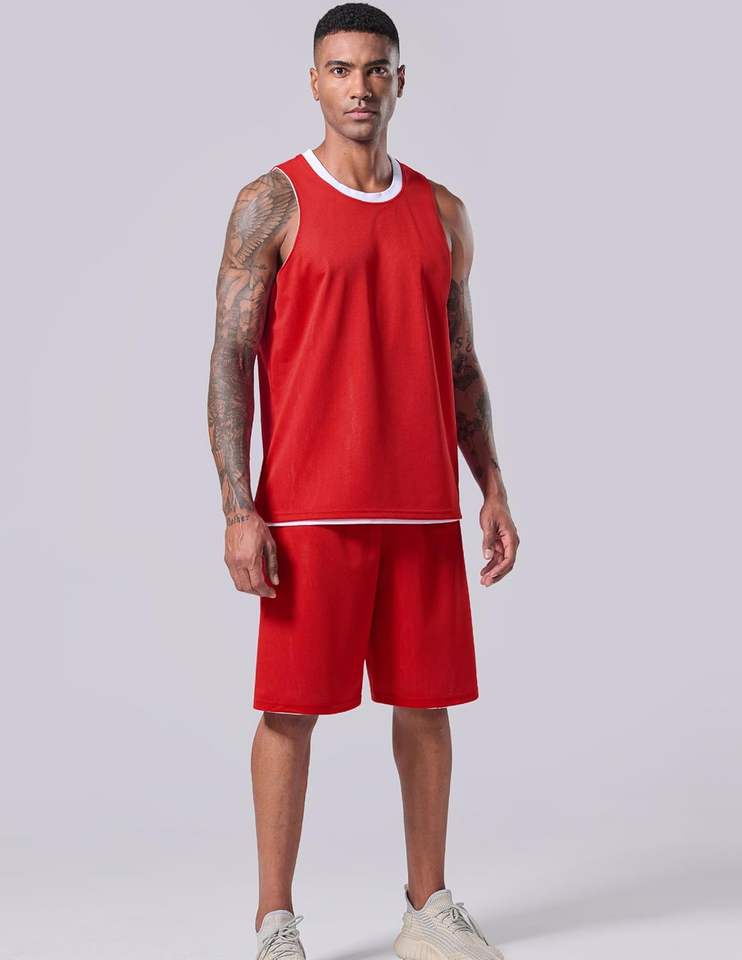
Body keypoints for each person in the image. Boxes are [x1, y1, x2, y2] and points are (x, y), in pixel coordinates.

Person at [206, 4, 519, 960]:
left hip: (421, 505)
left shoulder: (442, 212)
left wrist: (492, 484)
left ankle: (427, 909)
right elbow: (228, 360)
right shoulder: (273, 201)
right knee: (289, 713)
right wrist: (239, 507)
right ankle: (275, 922)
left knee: (427, 708)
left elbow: (460, 362)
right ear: (314, 82)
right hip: (310, 512)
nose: (359, 87)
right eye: (340, 70)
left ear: (399, 80)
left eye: (375, 69)